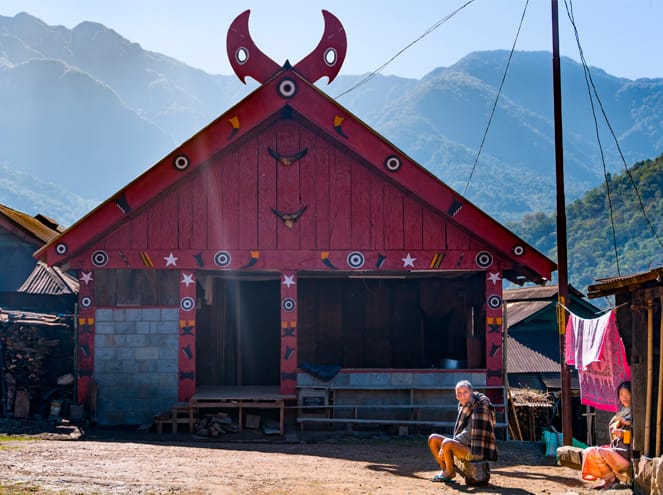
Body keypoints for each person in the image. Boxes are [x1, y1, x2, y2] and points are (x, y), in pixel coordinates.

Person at [427, 380, 498, 483]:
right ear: (456, 396)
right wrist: (450, 444)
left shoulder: (481, 407)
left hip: (476, 449)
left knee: (447, 443)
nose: (462, 396)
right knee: (433, 438)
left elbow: (469, 433)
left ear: (472, 392)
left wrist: (448, 444)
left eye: (465, 392)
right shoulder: (465, 405)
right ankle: (445, 470)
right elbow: (460, 432)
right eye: (459, 393)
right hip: (465, 444)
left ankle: (450, 472)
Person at [581, 381, 632, 490]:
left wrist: (624, 434)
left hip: (628, 455)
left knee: (598, 452)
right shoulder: (621, 414)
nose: (625, 397)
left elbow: (639, 435)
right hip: (617, 450)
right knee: (589, 451)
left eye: (627, 394)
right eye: (621, 394)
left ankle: (612, 480)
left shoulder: (636, 413)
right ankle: (610, 479)